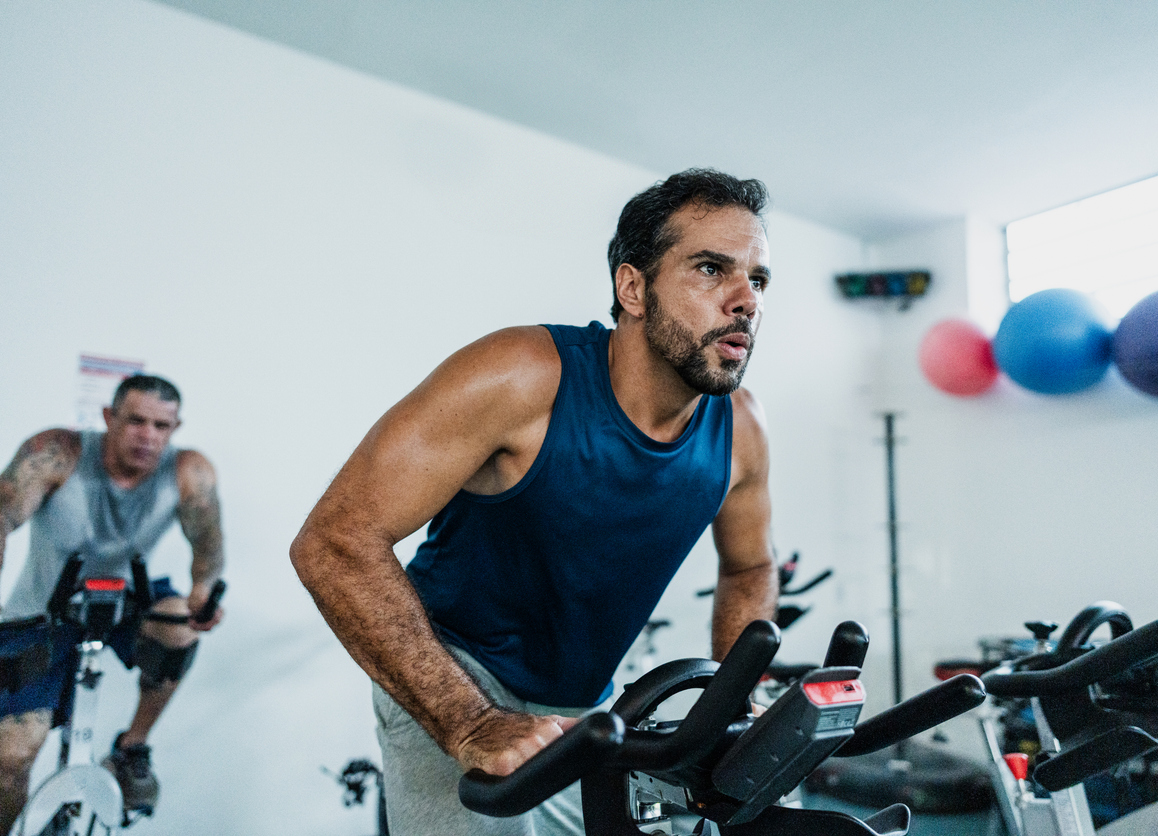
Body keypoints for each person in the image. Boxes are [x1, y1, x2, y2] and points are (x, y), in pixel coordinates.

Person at [291, 169, 780, 836]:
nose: (745, 300)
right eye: (709, 268)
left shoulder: (740, 433)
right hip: (457, 673)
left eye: (757, 279)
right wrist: (470, 721)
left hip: (588, 702)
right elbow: (335, 541)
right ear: (632, 288)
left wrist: (733, 702)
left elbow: (750, 566)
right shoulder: (522, 376)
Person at [0, 374, 225, 832]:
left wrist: (203, 589)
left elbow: (208, 550)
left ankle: (130, 749)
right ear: (108, 418)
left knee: (179, 623)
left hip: (125, 604)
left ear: (175, 427)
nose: (148, 436)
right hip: (42, 615)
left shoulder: (188, 472)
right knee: (13, 755)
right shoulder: (58, 452)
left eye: (162, 426)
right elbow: (3, 512)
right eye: (136, 421)